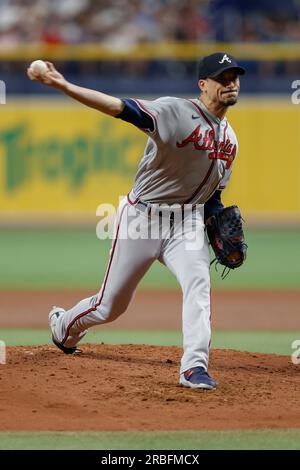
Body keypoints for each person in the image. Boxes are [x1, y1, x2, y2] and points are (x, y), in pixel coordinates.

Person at [28, 52, 245, 390]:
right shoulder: (174, 111)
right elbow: (119, 108)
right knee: (109, 306)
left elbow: (213, 197)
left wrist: (215, 217)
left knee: (198, 284)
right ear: (203, 85)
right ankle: (64, 326)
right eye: (222, 77)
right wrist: (63, 84)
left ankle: (194, 367)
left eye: (234, 77)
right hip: (142, 219)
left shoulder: (230, 141)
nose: (231, 83)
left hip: (186, 224)